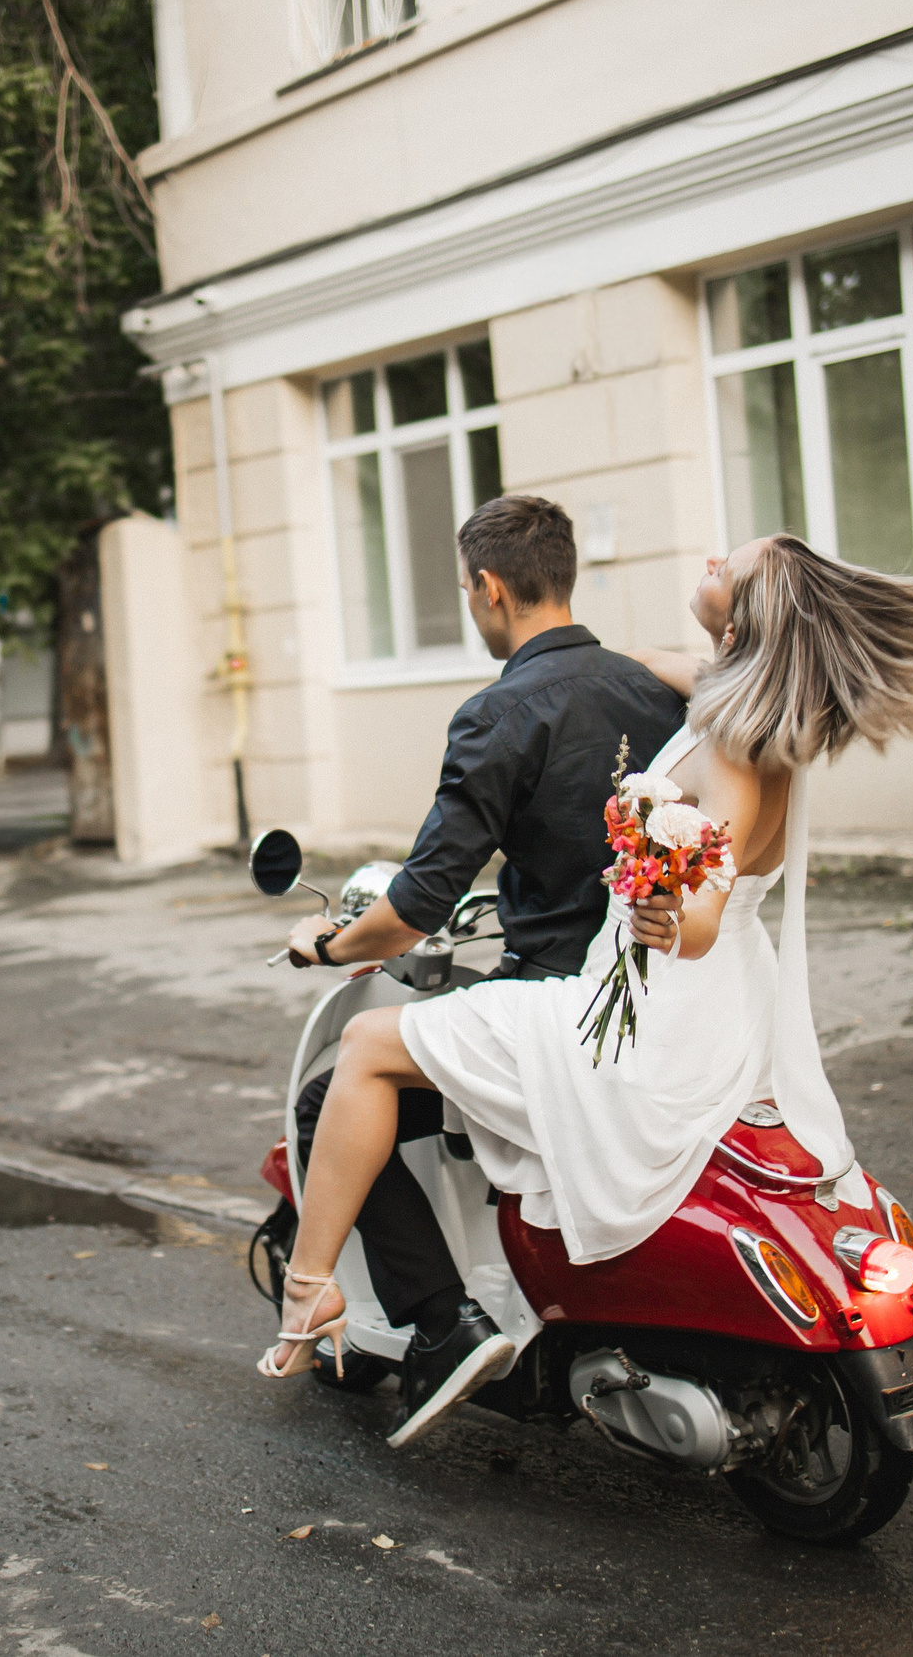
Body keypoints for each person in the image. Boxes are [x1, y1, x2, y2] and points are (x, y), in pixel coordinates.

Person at [264, 530, 913, 1449]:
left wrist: (661, 905)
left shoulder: (730, 740)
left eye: (726, 568)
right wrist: (638, 665)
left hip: (646, 1011)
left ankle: (310, 1291)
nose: (709, 561)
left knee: (368, 1050)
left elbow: (701, 906)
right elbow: (672, 668)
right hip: (718, 1003)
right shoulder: (728, 697)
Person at [270, 494, 686, 1447]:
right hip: (659, 991)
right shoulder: (655, 691)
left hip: (552, 1003)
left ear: (490, 587)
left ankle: (438, 1325)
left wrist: (325, 945)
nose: (471, 603)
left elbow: (418, 903)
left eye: (467, 589)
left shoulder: (499, 712)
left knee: (329, 1094)